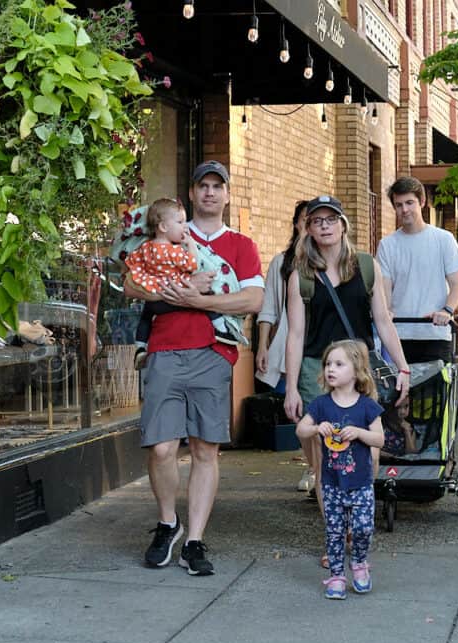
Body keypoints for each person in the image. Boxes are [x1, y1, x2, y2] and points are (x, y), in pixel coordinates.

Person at [124, 160, 264, 576]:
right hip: (164, 349)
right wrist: (171, 294)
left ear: (226, 194)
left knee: (205, 448)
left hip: (211, 354)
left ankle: (196, 540)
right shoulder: (162, 236)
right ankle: (168, 523)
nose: (209, 193)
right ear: (191, 193)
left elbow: (253, 301)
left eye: (217, 186)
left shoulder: (240, 245)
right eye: (202, 185)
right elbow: (131, 284)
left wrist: (202, 303)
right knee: (163, 446)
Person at [284, 194, 410, 565]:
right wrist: (290, 387)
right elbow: (294, 334)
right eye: (317, 220)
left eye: (331, 219)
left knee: (366, 455)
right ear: (308, 228)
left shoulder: (366, 267)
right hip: (316, 371)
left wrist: (402, 366)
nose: (324, 225)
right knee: (326, 460)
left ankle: (358, 521)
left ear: (343, 225)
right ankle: (337, 538)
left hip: (360, 371)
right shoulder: (301, 275)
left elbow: (383, 321)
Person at [295, 339, 385, 599]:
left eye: (338, 364)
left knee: (362, 528)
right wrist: (315, 428)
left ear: (356, 370)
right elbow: (301, 429)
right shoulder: (322, 405)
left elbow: (379, 439)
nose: (330, 369)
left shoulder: (367, 406)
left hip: (361, 482)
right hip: (332, 483)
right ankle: (336, 575)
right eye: (327, 364)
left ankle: (359, 563)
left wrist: (359, 432)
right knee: (333, 532)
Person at [125, 198, 242, 370]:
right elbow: (192, 264)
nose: (185, 226)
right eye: (180, 222)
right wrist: (191, 244)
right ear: (164, 227)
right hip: (174, 299)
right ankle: (221, 329)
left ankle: (141, 346)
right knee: (205, 298)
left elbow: (132, 263)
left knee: (145, 316)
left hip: (155, 300)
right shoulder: (173, 251)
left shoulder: (145, 248)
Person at [255, 199, 315, 491]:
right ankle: (312, 465)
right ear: (297, 224)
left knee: (324, 409)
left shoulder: (331, 261)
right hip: (288, 348)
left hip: (322, 349)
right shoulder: (282, 263)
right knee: (300, 414)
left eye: (315, 221)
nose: (310, 226)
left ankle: (322, 467)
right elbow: (268, 308)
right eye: (305, 220)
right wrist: (262, 346)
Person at [378, 176, 458, 364]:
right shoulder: (387, 245)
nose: (404, 210)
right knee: (400, 392)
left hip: (435, 333)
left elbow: (457, 285)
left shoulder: (444, 240)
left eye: (410, 203)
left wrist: (447, 310)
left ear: (422, 202)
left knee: (433, 393)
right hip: (398, 334)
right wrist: (386, 311)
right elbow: (384, 288)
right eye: (399, 205)